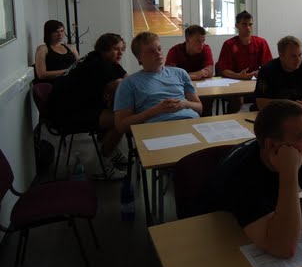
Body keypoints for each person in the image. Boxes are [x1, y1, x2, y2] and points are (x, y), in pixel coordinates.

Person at [210, 100, 302, 259]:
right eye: (300, 136)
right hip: (213, 234)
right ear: (271, 145)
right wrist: (289, 171)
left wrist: (278, 214)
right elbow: (284, 248)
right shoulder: (241, 174)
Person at [50, 33, 127, 179]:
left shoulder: (104, 59)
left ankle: (110, 150)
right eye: (116, 49)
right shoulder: (97, 64)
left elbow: (127, 80)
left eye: (122, 49)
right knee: (121, 121)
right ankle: (101, 166)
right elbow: (122, 85)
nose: (120, 53)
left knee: (116, 108)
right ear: (104, 49)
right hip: (66, 114)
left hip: (78, 106)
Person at [114, 32, 202, 133]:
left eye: (159, 49)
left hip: (190, 123)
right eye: (151, 51)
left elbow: (199, 108)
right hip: (157, 129)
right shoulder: (128, 83)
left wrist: (184, 104)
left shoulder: (180, 73)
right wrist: (156, 110)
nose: (158, 53)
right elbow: (121, 125)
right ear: (139, 58)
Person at [216, 11, 273, 112]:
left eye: (250, 25)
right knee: (237, 100)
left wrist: (260, 73)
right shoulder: (229, 44)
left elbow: (269, 66)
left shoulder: (261, 42)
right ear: (237, 26)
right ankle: (231, 118)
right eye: (244, 25)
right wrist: (239, 76)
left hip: (253, 83)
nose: (248, 28)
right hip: (233, 82)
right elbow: (223, 70)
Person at [255, 36, 302, 112]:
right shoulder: (267, 70)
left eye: (300, 55)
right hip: (277, 114)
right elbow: (261, 103)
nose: (298, 60)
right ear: (281, 56)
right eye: (293, 56)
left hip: (301, 113)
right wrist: (291, 106)